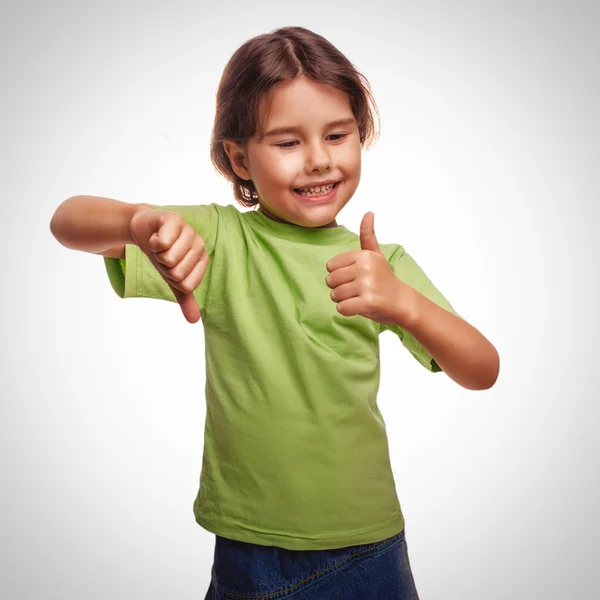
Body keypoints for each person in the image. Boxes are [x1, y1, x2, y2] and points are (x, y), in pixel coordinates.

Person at [50, 25, 499, 600]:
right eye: (287, 143)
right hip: (247, 549)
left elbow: (482, 369)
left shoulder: (378, 263)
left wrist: (404, 303)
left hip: (365, 550)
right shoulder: (219, 239)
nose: (318, 161)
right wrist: (136, 222)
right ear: (239, 159)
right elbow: (67, 221)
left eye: (338, 135)